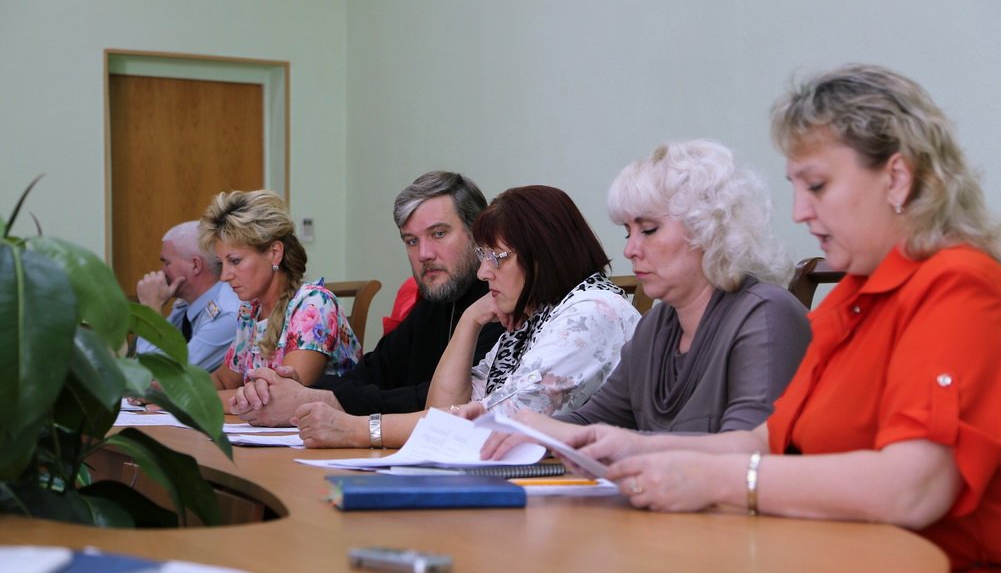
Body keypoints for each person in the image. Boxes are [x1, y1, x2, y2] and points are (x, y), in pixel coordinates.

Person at [554, 65, 1001, 572]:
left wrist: (717, 481)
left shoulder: (962, 288)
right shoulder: (855, 298)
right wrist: (636, 447)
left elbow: (914, 487)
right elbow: (766, 441)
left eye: (816, 186)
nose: (799, 211)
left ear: (896, 178)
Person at [481, 140, 810, 459]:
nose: (630, 250)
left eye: (649, 230)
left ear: (708, 229)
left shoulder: (766, 315)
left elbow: (748, 453)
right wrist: (515, 427)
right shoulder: (656, 326)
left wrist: (621, 443)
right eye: (628, 232)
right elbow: (592, 420)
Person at [291, 185, 642, 448]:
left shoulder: (592, 314)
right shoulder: (531, 316)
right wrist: (470, 320)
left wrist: (359, 431)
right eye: (482, 256)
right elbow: (445, 411)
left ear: (542, 257)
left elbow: (497, 423)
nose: (483, 272)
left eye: (496, 258)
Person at [228, 171, 504, 424]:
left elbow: (446, 402)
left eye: (439, 233)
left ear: (477, 233)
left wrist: (326, 399)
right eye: (411, 241)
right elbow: (369, 374)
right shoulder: (434, 304)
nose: (424, 254)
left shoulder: (498, 304)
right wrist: (299, 388)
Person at [198, 189, 362, 408]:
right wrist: (172, 391)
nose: (224, 276)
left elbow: (278, 399)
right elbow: (223, 381)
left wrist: (188, 403)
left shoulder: (313, 304)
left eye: (235, 261)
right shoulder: (250, 311)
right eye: (222, 263)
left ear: (275, 253)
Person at [135, 220, 240, 372]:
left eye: (166, 262)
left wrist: (150, 311)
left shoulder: (227, 314)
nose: (161, 271)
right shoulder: (185, 303)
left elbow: (163, 372)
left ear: (196, 265)